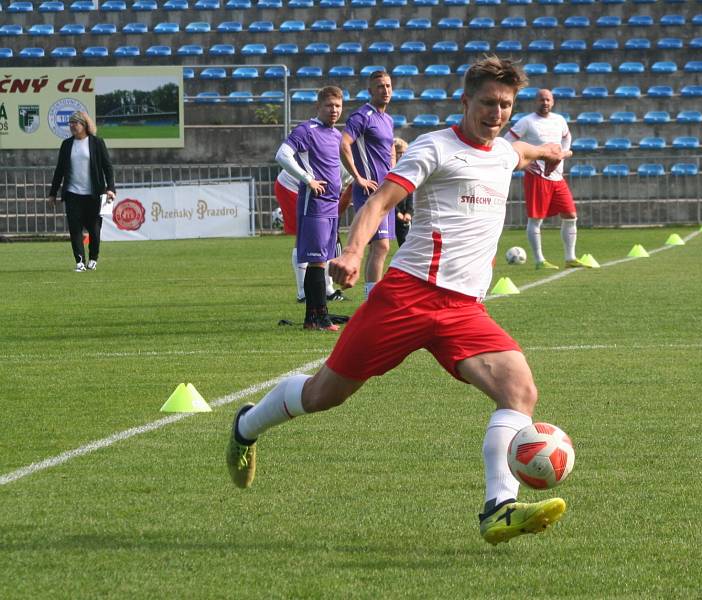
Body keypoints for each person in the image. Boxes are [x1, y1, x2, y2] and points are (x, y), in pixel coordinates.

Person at [227, 56, 568, 546]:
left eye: (506, 106)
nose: (497, 113)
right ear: (465, 101)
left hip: (464, 309)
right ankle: (247, 424)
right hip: (406, 298)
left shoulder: (503, 150)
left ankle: (499, 507)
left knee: (519, 393)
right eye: (488, 103)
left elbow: (523, 152)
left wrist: (547, 150)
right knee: (324, 395)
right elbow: (379, 202)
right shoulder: (435, 148)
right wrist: (351, 251)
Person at [274, 86, 345, 331]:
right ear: (319, 107)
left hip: (332, 204)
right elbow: (282, 155)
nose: (334, 110)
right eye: (329, 105)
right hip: (314, 204)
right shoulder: (307, 130)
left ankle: (312, 319)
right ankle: (320, 318)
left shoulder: (336, 135)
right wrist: (307, 179)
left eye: (337, 106)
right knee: (317, 262)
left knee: (322, 261)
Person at [505, 88, 586, 270]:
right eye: (541, 99)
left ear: (553, 101)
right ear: (536, 101)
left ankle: (570, 258)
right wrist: (526, 161)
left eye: (548, 99)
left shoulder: (559, 120)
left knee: (570, 215)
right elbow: (507, 141)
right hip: (537, 177)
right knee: (536, 219)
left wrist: (564, 154)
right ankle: (539, 260)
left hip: (557, 178)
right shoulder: (527, 122)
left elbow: (567, 137)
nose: (545, 103)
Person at [339, 70, 395, 298]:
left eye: (389, 86)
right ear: (370, 91)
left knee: (383, 247)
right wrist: (358, 178)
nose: (386, 90)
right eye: (380, 86)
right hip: (370, 192)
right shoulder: (362, 116)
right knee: (380, 246)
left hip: (387, 189)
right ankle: (372, 299)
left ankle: (373, 297)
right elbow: (343, 144)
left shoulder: (388, 119)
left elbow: (390, 146)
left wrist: (394, 170)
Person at [47, 111, 115, 272]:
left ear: (84, 125)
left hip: (94, 194)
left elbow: (108, 167)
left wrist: (111, 189)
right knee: (75, 229)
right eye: (70, 123)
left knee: (95, 230)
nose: (72, 126)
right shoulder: (66, 144)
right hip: (72, 194)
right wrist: (53, 193)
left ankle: (93, 258)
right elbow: (59, 170)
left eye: (75, 123)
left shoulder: (97, 143)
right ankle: (80, 262)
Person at [275, 168, 346, 304]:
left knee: (323, 237)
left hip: (310, 188)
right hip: (291, 186)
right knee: (304, 236)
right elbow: (345, 197)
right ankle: (303, 293)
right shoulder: (352, 162)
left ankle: (327, 290)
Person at [392, 138, 413, 247]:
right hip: (391, 214)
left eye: (405, 152)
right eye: (399, 152)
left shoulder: (408, 171)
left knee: (406, 245)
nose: (402, 155)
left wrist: (409, 212)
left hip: (404, 216)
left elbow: (410, 194)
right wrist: (396, 213)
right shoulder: (389, 171)